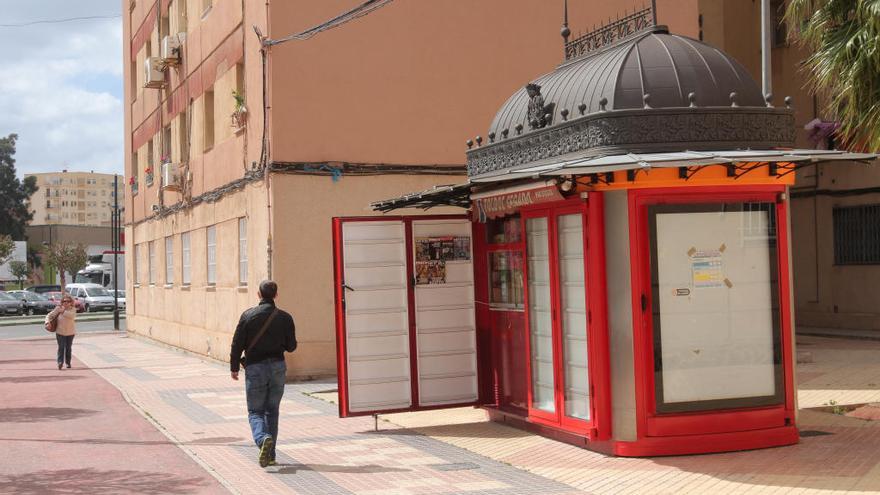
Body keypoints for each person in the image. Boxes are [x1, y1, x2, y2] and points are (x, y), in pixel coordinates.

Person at [230, 280, 297, 468]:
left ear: (259, 294)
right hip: (277, 367)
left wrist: (234, 367)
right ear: (276, 295)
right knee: (272, 411)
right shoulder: (285, 317)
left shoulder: (248, 316)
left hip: (255, 368)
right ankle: (271, 455)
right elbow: (291, 347)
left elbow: (237, 344)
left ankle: (262, 439)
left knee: (255, 411)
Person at [47, 293, 77, 370]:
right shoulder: (58, 308)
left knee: (68, 347)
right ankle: (60, 362)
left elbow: (71, 316)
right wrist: (47, 322)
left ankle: (68, 362)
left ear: (71, 302)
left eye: (68, 301)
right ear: (62, 302)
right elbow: (49, 315)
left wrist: (63, 311)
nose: (66, 302)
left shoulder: (73, 309)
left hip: (70, 332)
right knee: (61, 347)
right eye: (64, 301)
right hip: (60, 332)